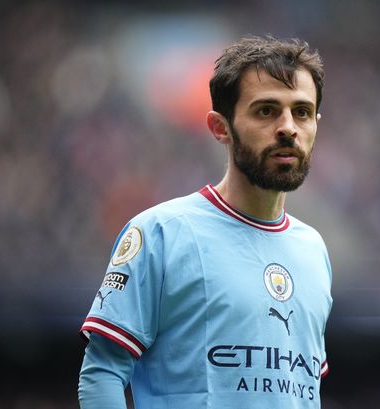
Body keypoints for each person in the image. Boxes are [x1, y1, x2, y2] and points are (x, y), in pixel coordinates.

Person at [78, 35, 333, 409]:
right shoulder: (160, 233)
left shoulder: (314, 250)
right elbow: (101, 374)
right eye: (266, 111)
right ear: (220, 127)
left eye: (302, 112)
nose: (288, 127)